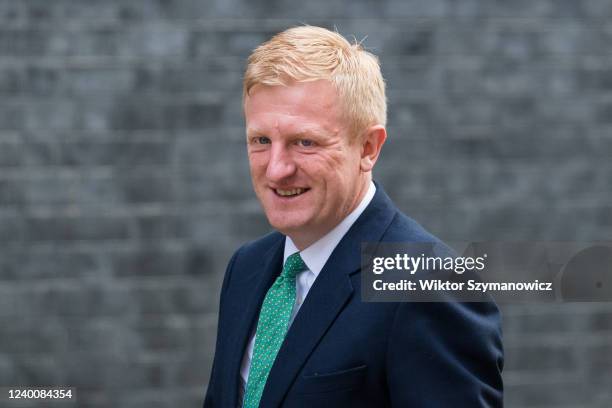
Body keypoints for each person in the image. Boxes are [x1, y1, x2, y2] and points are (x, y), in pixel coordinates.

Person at [203, 25, 503, 407]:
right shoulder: (246, 268)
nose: (276, 169)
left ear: (368, 148)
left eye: (304, 142)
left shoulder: (428, 287)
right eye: (261, 140)